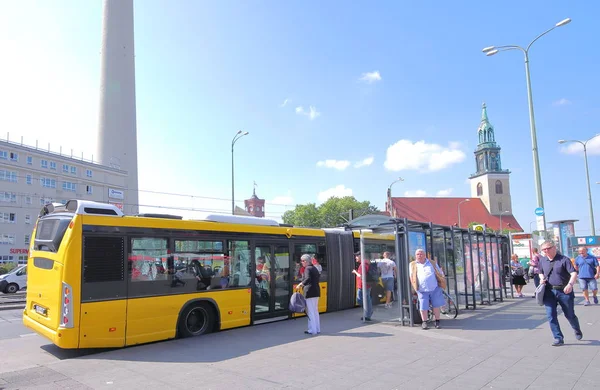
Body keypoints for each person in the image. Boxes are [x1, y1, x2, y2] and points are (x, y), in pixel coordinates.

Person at [539, 240, 583, 346]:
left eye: (548, 248)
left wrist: (570, 285)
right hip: (549, 291)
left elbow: (573, 273)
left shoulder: (564, 260)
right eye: (544, 249)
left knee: (569, 314)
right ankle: (558, 338)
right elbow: (540, 272)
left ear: (554, 248)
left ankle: (576, 329)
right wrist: (541, 279)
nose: (546, 251)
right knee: (551, 315)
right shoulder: (542, 260)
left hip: (564, 291)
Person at [409, 249, 445, 330]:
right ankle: (424, 322)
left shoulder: (432, 263)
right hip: (421, 289)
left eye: (421, 254)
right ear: (415, 256)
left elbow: (440, 272)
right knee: (423, 306)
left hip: (434, 288)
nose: (419, 255)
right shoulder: (412, 264)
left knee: (436, 305)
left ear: (425, 255)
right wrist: (415, 287)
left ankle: (437, 321)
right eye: (418, 254)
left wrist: (441, 280)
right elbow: (411, 276)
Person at [296, 254, 320, 335]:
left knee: (310, 312)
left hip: (309, 292)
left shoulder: (307, 269)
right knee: (315, 311)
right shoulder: (314, 268)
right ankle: (317, 328)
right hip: (316, 291)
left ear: (306, 261)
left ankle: (312, 330)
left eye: (302, 261)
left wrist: (300, 284)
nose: (301, 262)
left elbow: (307, 279)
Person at [352, 251, 372, 321]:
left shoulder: (362, 265)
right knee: (367, 300)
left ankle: (368, 313)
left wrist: (355, 272)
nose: (355, 258)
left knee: (360, 299)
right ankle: (368, 314)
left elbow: (361, 276)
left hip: (363, 286)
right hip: (366, 285)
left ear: (361, 256)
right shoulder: (366, 263)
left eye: (357, 256)